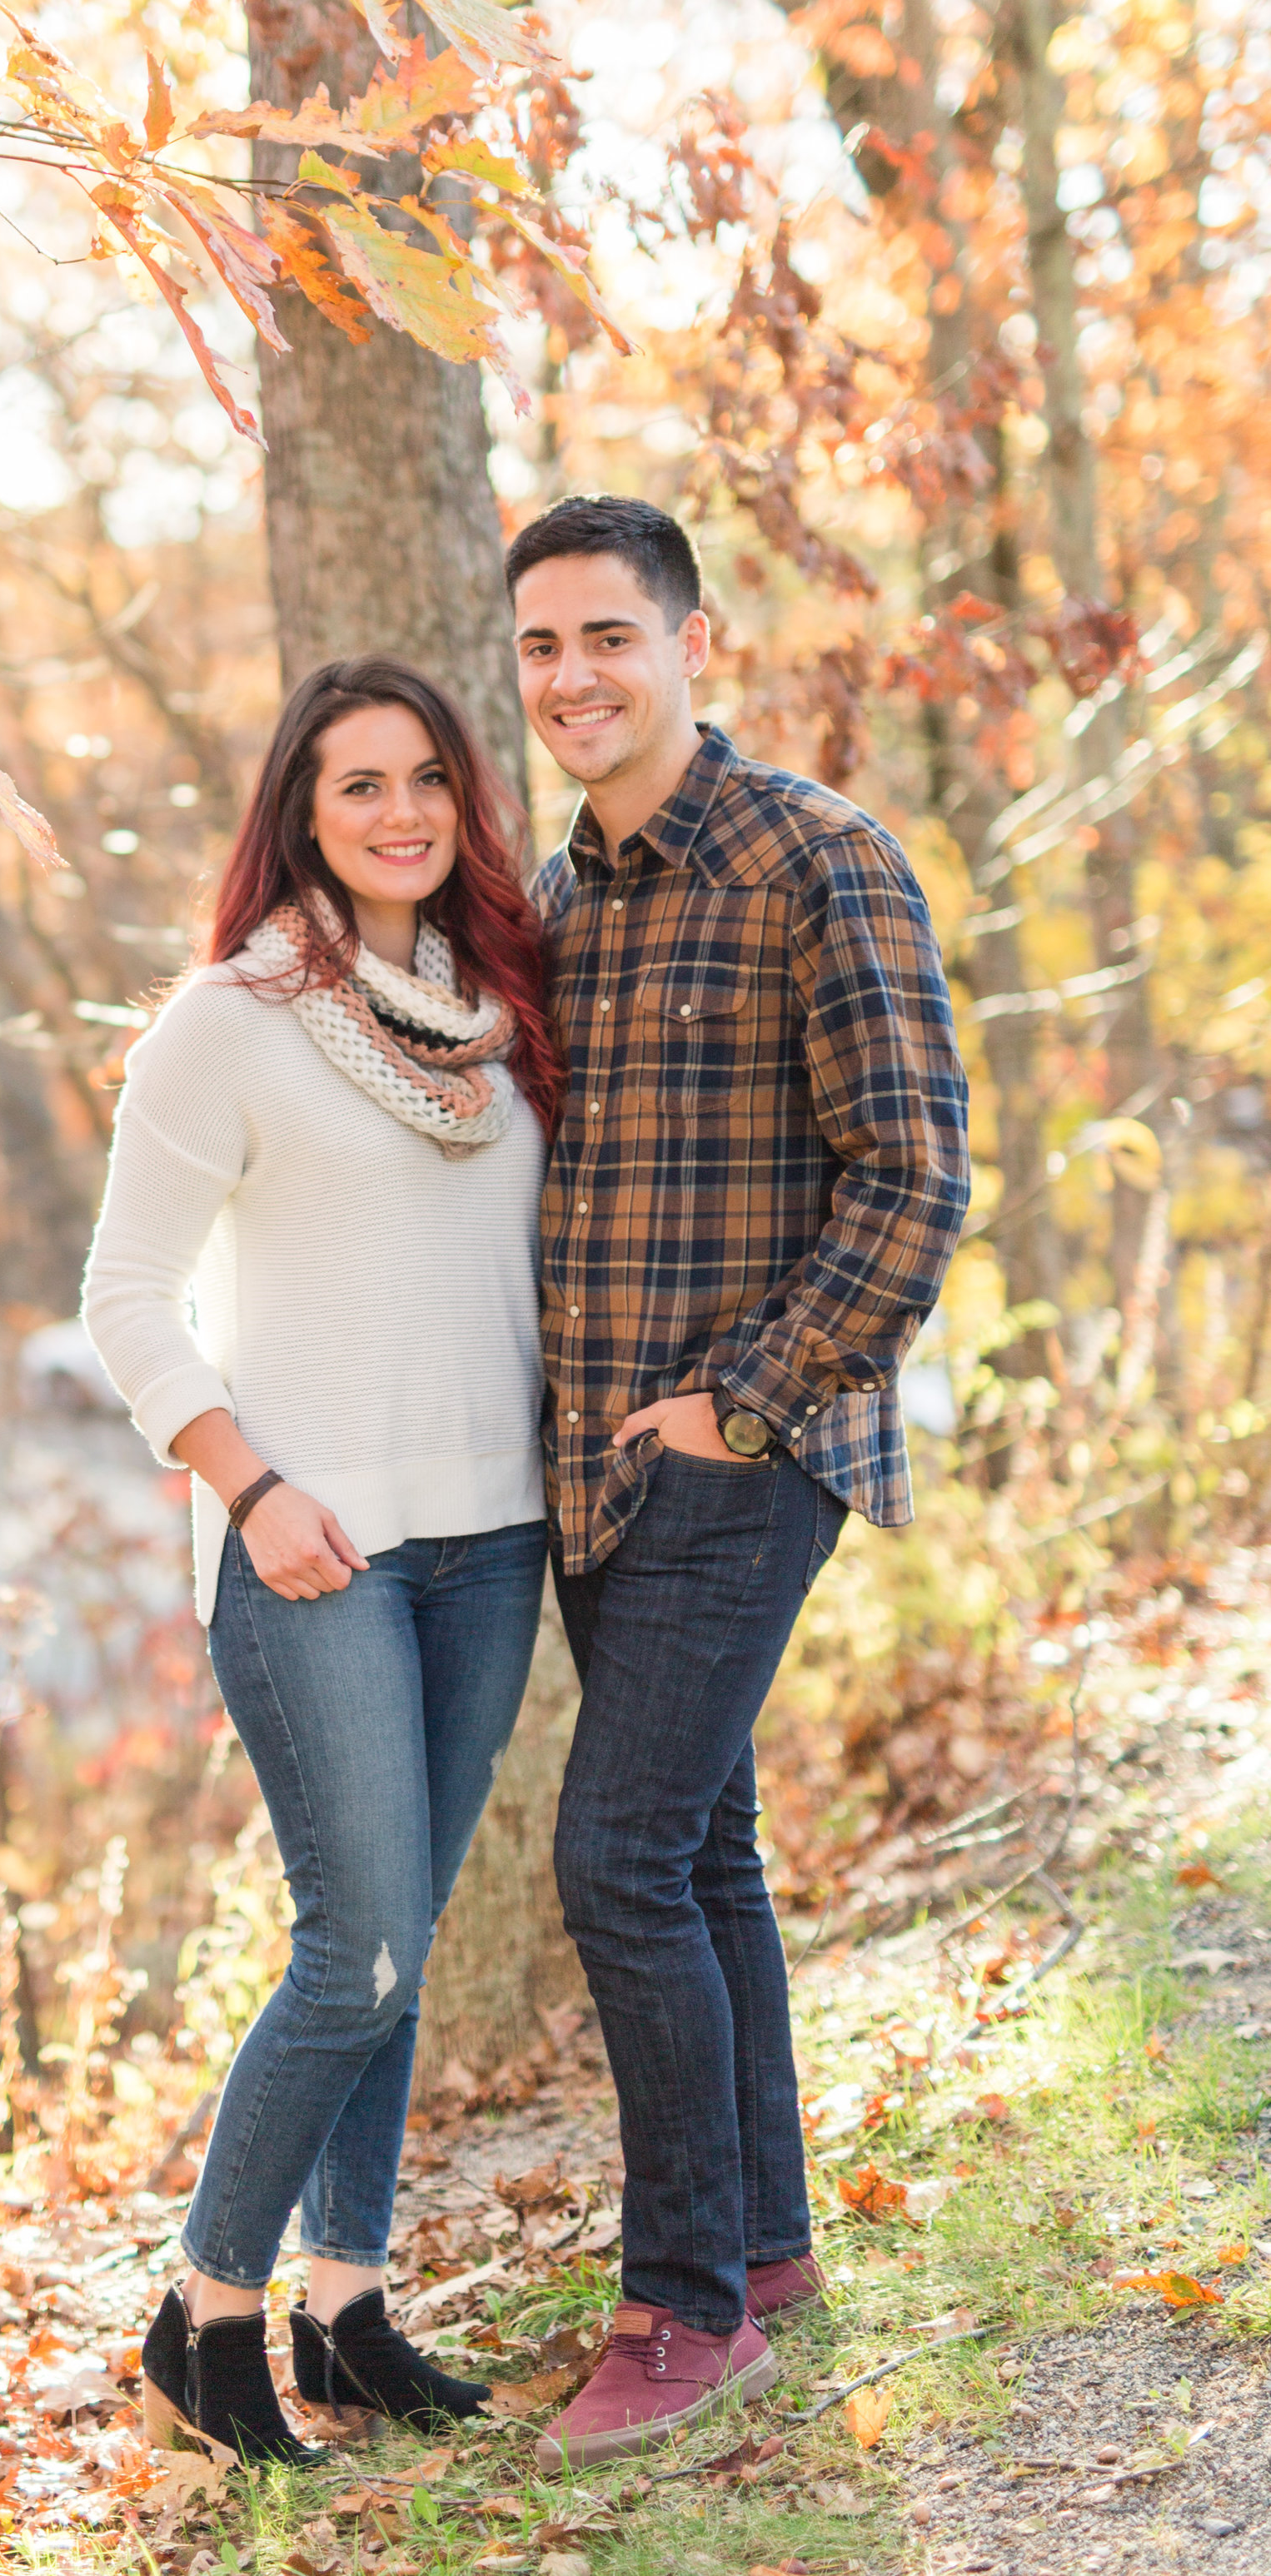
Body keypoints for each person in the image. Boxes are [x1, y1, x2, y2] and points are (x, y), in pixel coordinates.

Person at [510, 496, 970, 2472]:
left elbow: (913, 1174)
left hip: (739, 1449)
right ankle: (763, 2246)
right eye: (537, 647)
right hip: (593, 1477)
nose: (570, 679)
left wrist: (746, 1399)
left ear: (695, 644)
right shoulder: (551, 900)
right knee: (696, 1851)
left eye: (606, 636)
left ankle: (679, 2305)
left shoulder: (817, 860)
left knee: (609, 1857)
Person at [82, 656, 560, 2466]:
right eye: (354, 785)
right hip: (314, 1553)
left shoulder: (495, 1007)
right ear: (297, 812)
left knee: (407, 1945)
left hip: (489, 1540)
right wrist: (250, 1485)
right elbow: (123, 1297)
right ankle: (203, 2316)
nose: (396, 814)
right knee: (349, 1947)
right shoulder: (228, 1020)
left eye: (423, 777)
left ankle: (344, 2307)